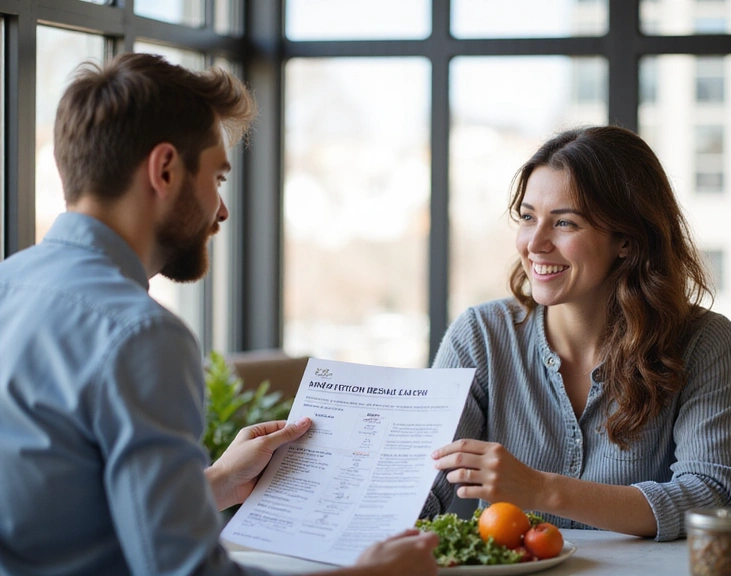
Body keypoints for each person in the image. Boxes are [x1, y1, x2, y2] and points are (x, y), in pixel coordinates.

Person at [0, 52, 438, 576]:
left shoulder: (11, 288)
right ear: (164, 169)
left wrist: (216, 482)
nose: (221, 210)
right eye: (218, 178)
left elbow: (52, 517)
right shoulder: (140, 335)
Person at [423, 125, 731, 542]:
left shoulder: (705, 342)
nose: (534, 244)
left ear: (627, 241)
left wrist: (541, 490)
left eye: (564, 223)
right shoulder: (479, 335)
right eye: (527, 217)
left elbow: (713, 498)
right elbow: (421, 485)